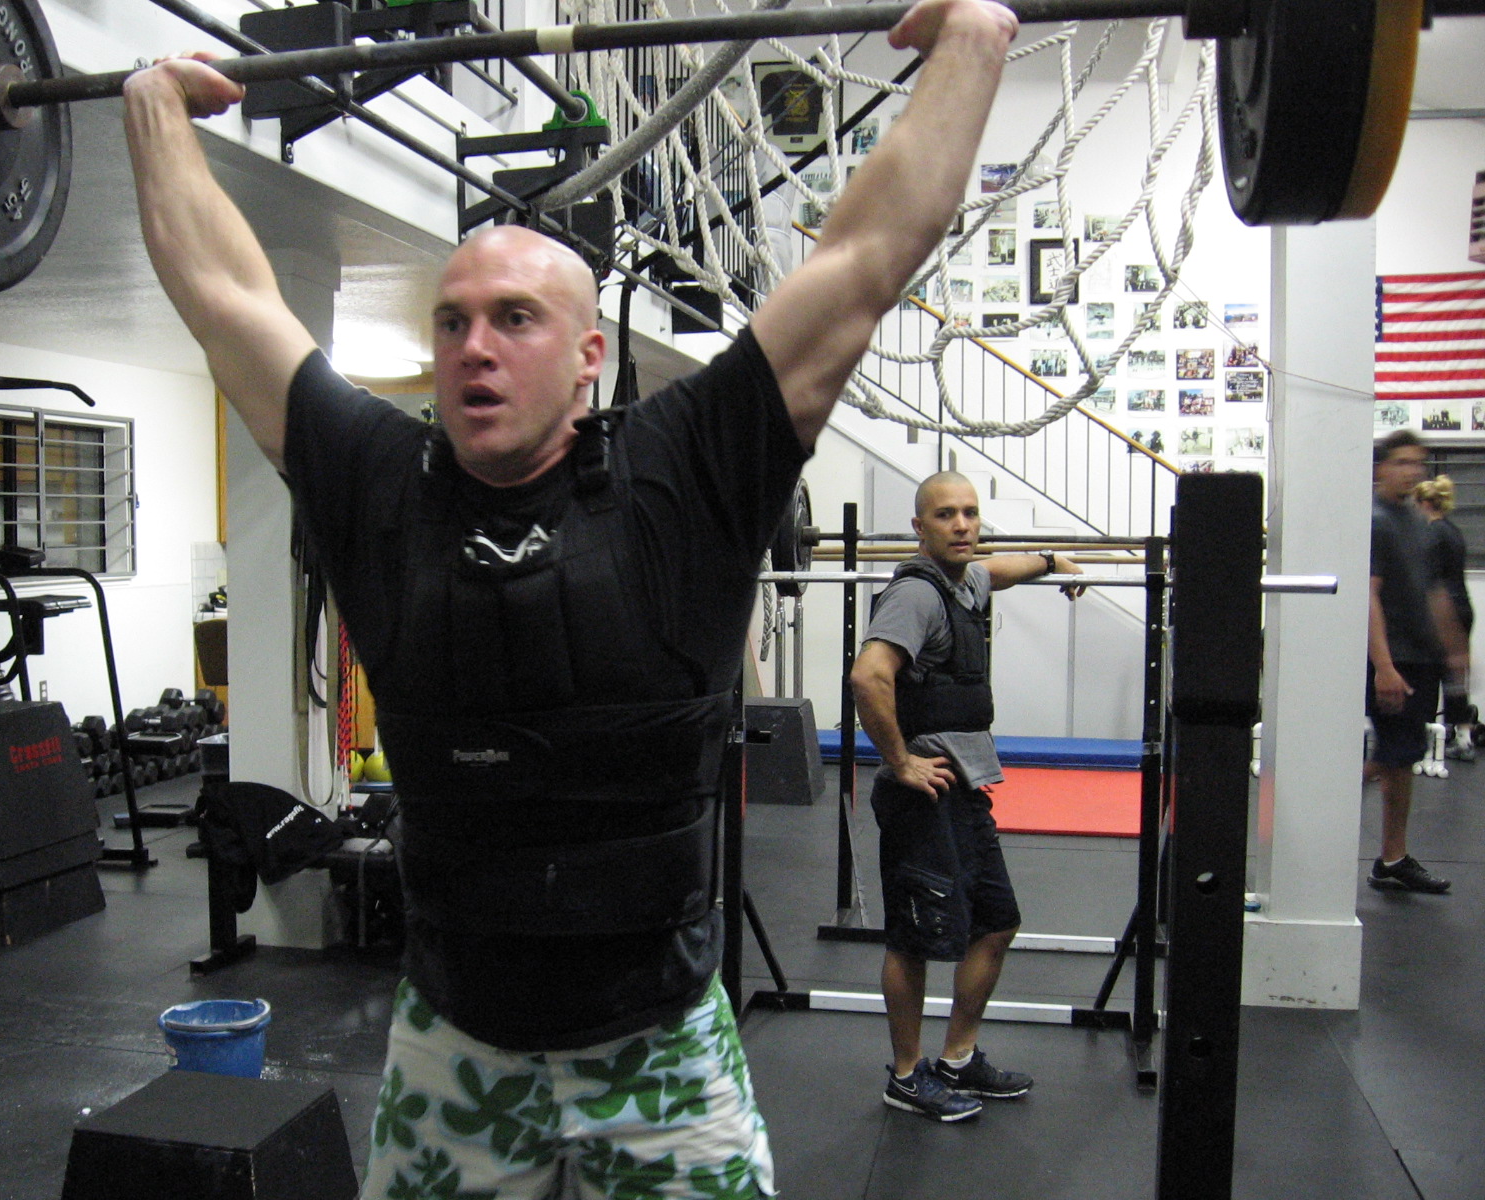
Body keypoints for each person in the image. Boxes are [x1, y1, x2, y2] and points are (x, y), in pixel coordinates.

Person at [118, 1, 1019, 1194]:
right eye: (451, 322)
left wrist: (972, 45)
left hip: (658, 1046)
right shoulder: (378, 484)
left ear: (590, 356)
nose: (473, 346)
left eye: (514, 319)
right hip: (453, 1039)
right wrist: (153, 117)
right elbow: (226, 296)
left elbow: (863, 261)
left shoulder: (686, 469)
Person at [849, 471, 1083, 1122]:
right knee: (915, 938)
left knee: (996, 921)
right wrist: (899, 762)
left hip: (965, 785)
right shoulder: (916, 596)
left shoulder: (966, 580)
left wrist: (1052, 560)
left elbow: (997, 571)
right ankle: (905, 1076)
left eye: (970, 514)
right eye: (945, 514)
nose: (961, 525)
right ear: (919, 528)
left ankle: (957, 1058)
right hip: (923, 793)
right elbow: (868, 677)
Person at [1367, 431, 1467, 895]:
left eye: (1417, 463)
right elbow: (1370, 595)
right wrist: (1384, 666)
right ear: (1381, 468)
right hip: (1396, 660)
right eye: (1402, 462)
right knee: (1394, 757)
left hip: (1421, 658)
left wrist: (1454, 646)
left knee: (1400, 758)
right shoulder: (1376, 522)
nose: (1412, 471)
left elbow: (1433, 589)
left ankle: (1392, 858)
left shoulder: (1415, 520)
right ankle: (1388, 856)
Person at [1413, 474, 1476, 760]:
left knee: (1428, 677)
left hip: (1443, 612)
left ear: (1425, 503)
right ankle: (1464, 740)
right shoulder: (1453, 531)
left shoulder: (1432, 534)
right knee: (1454, 678)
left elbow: (1429, 581)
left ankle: (1426, 745)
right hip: (1462, 609)